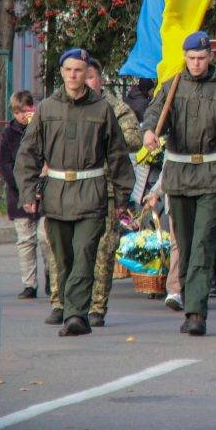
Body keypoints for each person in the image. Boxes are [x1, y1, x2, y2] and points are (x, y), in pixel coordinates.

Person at [14, 48, 134, 336]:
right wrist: (28, 194)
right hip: (56, 194)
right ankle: (70, 308)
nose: (73, 75)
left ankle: (76, 316)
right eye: (68, 70)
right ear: (62, 72)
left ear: (87, 73)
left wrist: (121, 198)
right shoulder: (46, 108)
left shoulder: (102, 109)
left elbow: (117, 155)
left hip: (91, 193)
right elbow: (27, 154)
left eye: (79, 70)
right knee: (63, 257)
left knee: (84, 253)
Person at [142, 32, 216, 336]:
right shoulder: (172, 86)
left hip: (212, 178)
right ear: (185, 58)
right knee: (185, 247)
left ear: (211, 57)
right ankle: (191, 299)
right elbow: (153, 115)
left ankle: (196, 313)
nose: (197, 63)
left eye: (202, 58)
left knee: (203, 244)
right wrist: (149, 131)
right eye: (192, 58)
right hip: (178, 178)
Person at [83, 57, 143, 328]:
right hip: (76, 190)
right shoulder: (66, 107)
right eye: (80, 75)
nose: (85, 81)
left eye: (90, 76)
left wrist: (104, 136)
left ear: (100, 79)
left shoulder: (116, 107)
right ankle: (71, 303)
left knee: (104, 250)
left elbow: (133, 139)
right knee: (75, 250)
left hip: (107, 189)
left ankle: (96, 307)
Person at [0, 91, 54, 300]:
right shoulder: (8, 133)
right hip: (18, 195)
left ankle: (52, 276)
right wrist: (21, 186)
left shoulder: (42, 129)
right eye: (19, 112)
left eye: (27, 110)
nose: (24, 115)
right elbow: (4, 164)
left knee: (46, 238)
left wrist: (41, 183)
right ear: (14, 113)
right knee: (25, 240)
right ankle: (29, 283)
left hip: (44, 193)